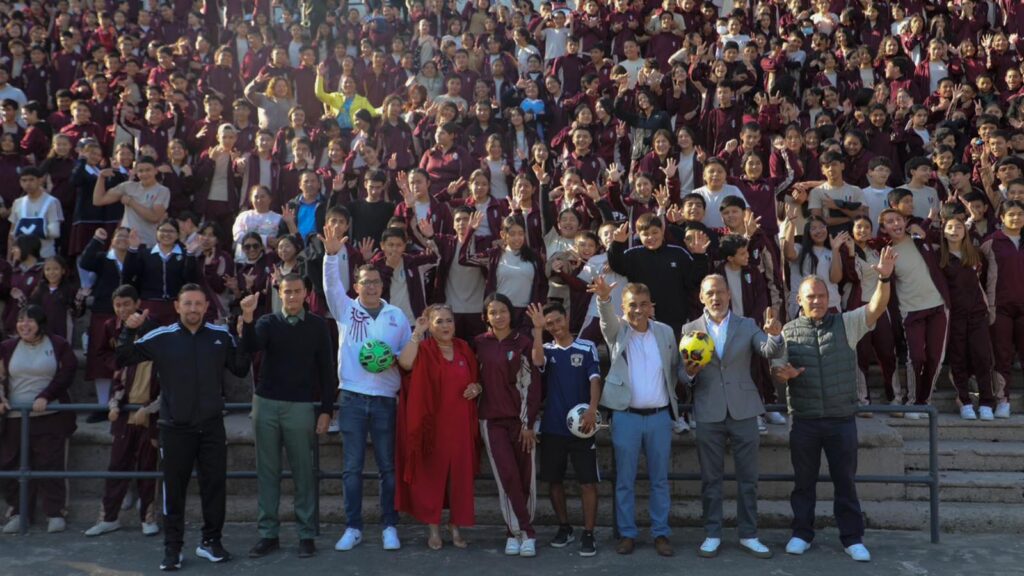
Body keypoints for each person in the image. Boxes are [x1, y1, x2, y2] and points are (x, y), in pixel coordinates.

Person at [771, 246, 898, 563]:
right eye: (809, 296)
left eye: (821, 295)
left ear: (829, 299)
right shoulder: (787, 331)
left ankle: (852, 538)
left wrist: (884, 279)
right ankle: (801, 533)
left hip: (841, 420)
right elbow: (777, 373)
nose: (816, 301)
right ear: (799, 300)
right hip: (804, 421)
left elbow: (877, 308)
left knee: (846, 483)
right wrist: (783, 374)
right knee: (803, 484)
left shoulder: (846, 323)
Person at [116, 284, 251, 571]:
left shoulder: (219, 336)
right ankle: (173, 549)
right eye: (187, 303)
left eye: (198, 304)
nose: (193, 309)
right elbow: (124, 357)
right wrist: (129, 329)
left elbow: (240, 368)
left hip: (212, 427)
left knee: (214, 488)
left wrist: (246, 329)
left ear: (206, 307)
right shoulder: (162, 336)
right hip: (175, 428)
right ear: (177, 306)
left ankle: (211, 542)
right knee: (174, 491)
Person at [321, 221, 411, 552]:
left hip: (386, 400)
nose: (371, 287)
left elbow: (405, 355)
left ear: (381, 285)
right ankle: (353, 527)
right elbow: (330, 286)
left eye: (375, 282)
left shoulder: (396, 316)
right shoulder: (346, 310)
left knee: (388, 467)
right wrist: (331, 255)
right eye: (365, 282)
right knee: (352, 468)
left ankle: (389, 524)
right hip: (353, 399)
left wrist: (395, 360)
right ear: (356, 286)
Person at [680, 275, 784, 559]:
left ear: (729, 295)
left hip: (744, 409)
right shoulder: (689, 329)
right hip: (708, 410)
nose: (716, 298)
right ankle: (712, 533)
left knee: (748, 478)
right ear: (701, 297)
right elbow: (681, 374)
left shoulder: (747, 325)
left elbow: (769, 350)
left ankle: (749, 534)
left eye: (721, 292)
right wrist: (689, 372)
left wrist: (775, 334)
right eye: (710, 293)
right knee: (711, 478)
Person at [239, 276, 335, 559]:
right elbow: (251, 346)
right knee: (267, 471)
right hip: (266, 403)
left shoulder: (318, 325)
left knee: (303, 472)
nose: (291, 297)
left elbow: (326, 370)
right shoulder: (268, 322)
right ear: (279, 294)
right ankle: (268, 534)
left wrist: (327, 409)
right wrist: (247, 317)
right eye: (286, 292)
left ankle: (306, 534)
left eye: (296, 292)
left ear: (306, 293)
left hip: (301, 406)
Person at [589, 277, 680, 557]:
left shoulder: (665, 332)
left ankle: (661, 533)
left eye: (643, 304)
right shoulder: (619, 331)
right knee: (625, 480)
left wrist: (693, 371)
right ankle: (627, 534)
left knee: (660, 480)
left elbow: (677, 368)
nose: (638, 310)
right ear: (624, 308)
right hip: (626, 417)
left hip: (659, 417)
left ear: (651, 306)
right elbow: (606, 320)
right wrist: (604, 299)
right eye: (631, 305)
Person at [395, 304, 481, 550]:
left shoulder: (464, 348)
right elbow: (405, 364)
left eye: (449, 321)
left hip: (461, 425)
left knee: (460, 478)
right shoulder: (423, 349)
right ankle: (433, 528)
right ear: (429, 326)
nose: (445, 326)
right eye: (439, 322)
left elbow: (476, 380)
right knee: (432, 476)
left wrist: (477, 388)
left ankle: (455, 527)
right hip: (432, 426)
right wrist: (416, 333)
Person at [85, 285, 161, 538]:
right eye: (118, 305)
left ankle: (147, 518)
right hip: (125, 415)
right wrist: (115, 404)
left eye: (127, 304)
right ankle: (109, 517)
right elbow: (115, 375)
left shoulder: (159, 350)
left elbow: (168, 388)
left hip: (150, 417)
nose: (123, 310)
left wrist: (149, 409)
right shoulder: (119, 344)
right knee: (117, 465)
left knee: (148, 468)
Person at [474, 293, 543, 557]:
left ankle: (515, 532)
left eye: (502, 311)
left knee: (525, 478)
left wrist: (528, 424)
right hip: (491, 421)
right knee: (507, 476)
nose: (498, 316)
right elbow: (475, 377)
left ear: (510, 313)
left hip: (521, 422)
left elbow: (532, 382)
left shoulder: (522, 342)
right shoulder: (480, 343)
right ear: (486, 317)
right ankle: (524, 532)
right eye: (493, 312)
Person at [0, 305, 78, 535]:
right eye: (20, 320)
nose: (24, 325)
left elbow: (68, 371)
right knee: (13, 465)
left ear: (40, 323)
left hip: (49, 415)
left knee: (50, 464)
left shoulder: (57, 344)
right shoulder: (7, 347)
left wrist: (47, 394)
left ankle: (55, 513)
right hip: (15, 417)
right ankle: (19, 512)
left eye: (29, 320)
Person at [532, 302, 601, 557]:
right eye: (549, 324)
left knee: (587, 483)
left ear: (567, 318)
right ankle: (564, 527)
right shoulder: (547, 350)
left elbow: (595, 379)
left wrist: (593, 410)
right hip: (552, 427)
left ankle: (589, 533)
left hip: (583, 427)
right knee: (554, 481)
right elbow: (536, 361)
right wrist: (538, 331)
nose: (555, 327)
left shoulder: (586, 347)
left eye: (557, 321)